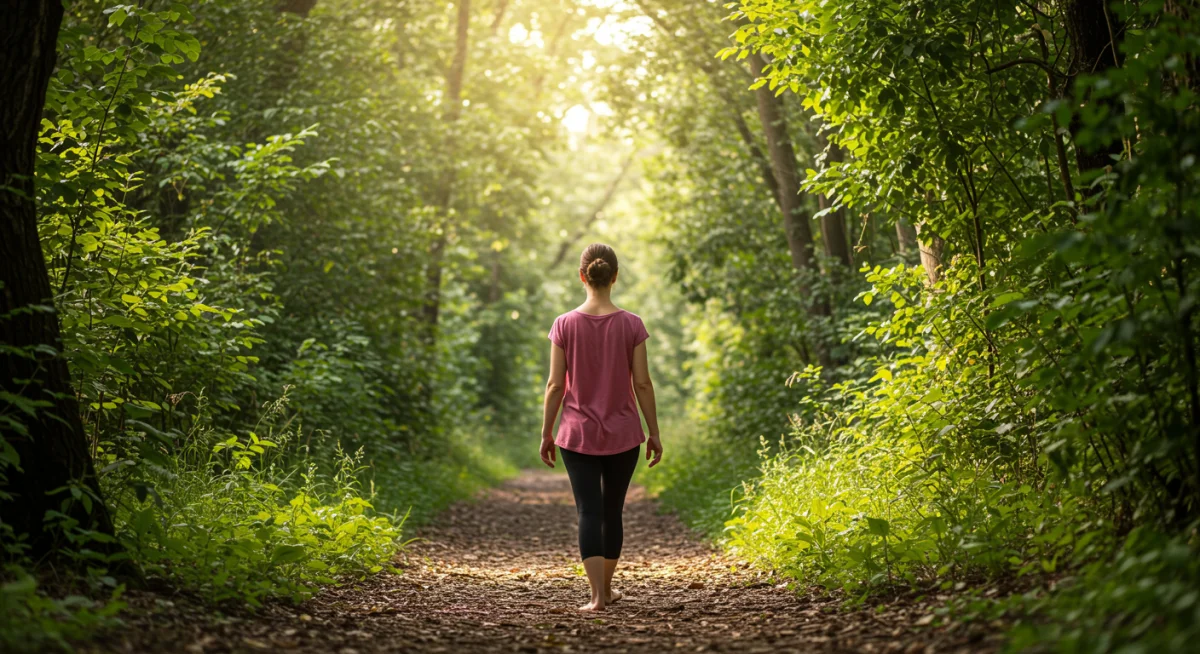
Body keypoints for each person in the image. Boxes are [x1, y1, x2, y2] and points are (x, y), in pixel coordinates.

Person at [539, 243, 663, 612]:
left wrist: (547, 432)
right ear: (615, 276)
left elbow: (555, 385)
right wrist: (653, 431)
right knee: (612, 512)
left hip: (576, 435)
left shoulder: (564, 324)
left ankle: (595, 597)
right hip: (624, 433)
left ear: (582, 276)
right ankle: (606, 590)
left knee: (588, 512)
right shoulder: (632, 324)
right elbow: (642, 383)